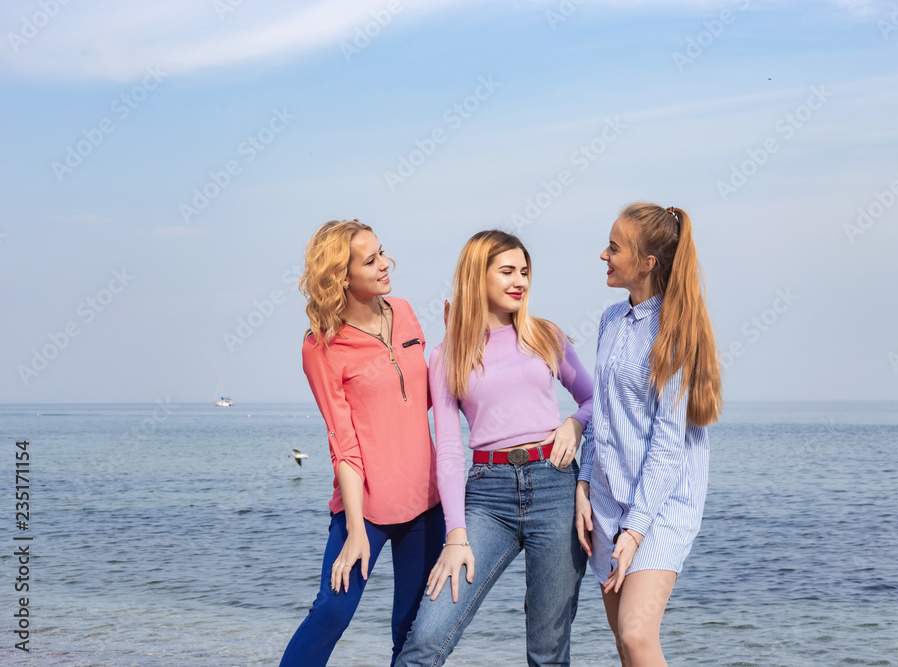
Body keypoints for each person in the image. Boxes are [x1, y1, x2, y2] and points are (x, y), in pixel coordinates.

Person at [396, 230, 594, 667]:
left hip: (555, 487)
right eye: (506, 271)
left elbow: (594, 400)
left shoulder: (545, 335)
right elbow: (448, 448)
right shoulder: (448, 355)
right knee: (425, 641)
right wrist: (455, 535)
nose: (518, 281)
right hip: (487, 496)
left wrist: (574, 425)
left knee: (547, 652)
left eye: (524, 272)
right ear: (476, 276)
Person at [280, 219, 444, 667]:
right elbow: (343, 444)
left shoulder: (406, 312)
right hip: (365, 509)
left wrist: (458, 346)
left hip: (426, 504)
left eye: (382, 252)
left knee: (413, 630)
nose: (385, 264)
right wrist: (355, 531)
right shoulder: (322, 347)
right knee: (331, 611)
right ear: (341, 276)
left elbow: (421, 402)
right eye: (370, 261)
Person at [575, 203, 722, 667]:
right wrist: (582, 483)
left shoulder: (674, 333)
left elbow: (667, 445)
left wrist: (635, 531)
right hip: (606, 498)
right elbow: (600, 414)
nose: (603, 254)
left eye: (614, 248)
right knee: (623, 641)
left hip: (661, 507)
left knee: (638, 635)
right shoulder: (609, 321)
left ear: (647, 263)